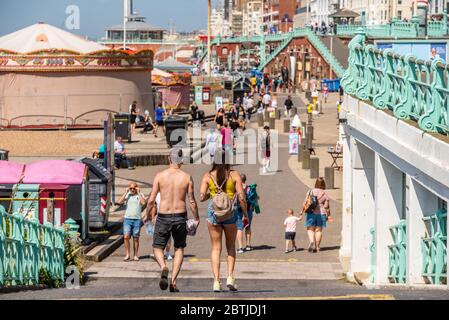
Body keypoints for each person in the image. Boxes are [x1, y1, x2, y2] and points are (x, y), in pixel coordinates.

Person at [142, 149, 200, 292]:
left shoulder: (160, 176)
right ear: (181, 161)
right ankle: (173, 282)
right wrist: (197, 217)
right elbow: (191, 200)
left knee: (157, 247)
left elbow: (151, 199)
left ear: (169, 159)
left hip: (163, 216)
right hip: (180, 216)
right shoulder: (187, 177)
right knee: (179, 248)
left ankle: (163, 267)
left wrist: (147, 213)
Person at [199, 151, 249, 292]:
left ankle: (216, 281)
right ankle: (230, 277)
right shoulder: (234, 175)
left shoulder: (208, 176)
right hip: (229, 212)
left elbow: (202, 197)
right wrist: (245, 214)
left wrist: (211, 193)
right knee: (231, 246)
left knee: (216, 247)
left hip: (213, 212)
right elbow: (241, 197)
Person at [299, 177, 331, 253]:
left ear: (316, 183)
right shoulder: (325, 193)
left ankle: (311, 241)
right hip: (321, 214)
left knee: (310, 229)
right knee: (318, 230)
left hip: (311, 213)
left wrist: (302, 211)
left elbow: (305, 203)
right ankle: (317, 247)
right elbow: (326, 206)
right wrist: (328, 215)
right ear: (323, 184)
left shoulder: (310, 191)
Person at [116, 183, 146, 261]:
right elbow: (119, 202)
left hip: (137, 219)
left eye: (134, 188)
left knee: (136, 238)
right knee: (126, 237)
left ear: (137, 188)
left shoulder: (140, 195)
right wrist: (126, 192)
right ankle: (127, 254)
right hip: (127, 219)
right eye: (131, 188)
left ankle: (135, 255)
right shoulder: (128, 194)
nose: (132, 190)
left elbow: (143, 203)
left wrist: (139, 193)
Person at [236, 174, 255, 253]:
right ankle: (248, 245)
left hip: (239, 210)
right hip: (248, 210)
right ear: (245, 179)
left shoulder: (237, 188)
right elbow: (255, 198)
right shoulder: (250, 188)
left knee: (239, 228)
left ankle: (240, 247)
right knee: (248, 226)